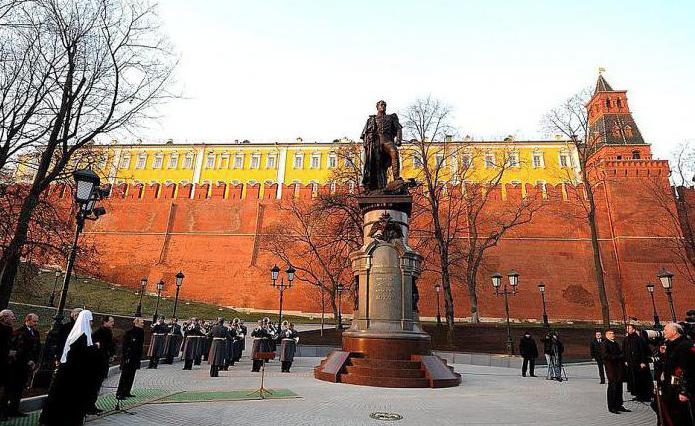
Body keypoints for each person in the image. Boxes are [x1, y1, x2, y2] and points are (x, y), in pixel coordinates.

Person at [40, 310, 101, 425]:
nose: (92, 323)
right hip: (73, 375)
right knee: (69, 400)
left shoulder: (76, 334)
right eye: (90, 321)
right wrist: (95, 348)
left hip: (68, 372)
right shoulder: (81, 336)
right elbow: (82, 354)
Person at [1, 313, 40, 418]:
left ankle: (14, 410)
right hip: (17, 365)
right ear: (27, 320)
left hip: (27, 366)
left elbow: (37, 349)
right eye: (34, 321)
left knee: (19, 389)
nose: (36, 323)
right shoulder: (19, 332)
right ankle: (3, 412)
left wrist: (34, 361)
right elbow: (17, 349)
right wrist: (27, 360)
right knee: (9, 389)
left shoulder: (36, 333)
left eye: (36, 321)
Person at [360, 99, 403, 191]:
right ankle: (380, 185)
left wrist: (398, 140)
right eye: (381, 105)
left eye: (384, 104)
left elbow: (399, 128)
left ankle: (396, 178)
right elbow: (365, 134)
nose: (382, 106)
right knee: (378, 164)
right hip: (377, 143)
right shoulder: (372, 119)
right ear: (377, 107)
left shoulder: (391, 117)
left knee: (394, 152)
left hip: (388, 141)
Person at [659, 322, 694, 425]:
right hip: (670, 387)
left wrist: (684, 391)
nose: (663, 332)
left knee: (681, 417)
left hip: (679, 389)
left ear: (674, 332)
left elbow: (689, 370)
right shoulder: (670, 345)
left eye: (666, 330)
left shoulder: (685, 346)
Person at [86, 316, 116, 415]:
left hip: (103, 362)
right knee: (93, 386)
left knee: (97, 386)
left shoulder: (108, 332)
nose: (113, 324)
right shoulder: (98, 333)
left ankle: (91, 404)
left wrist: (111, 354)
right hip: (97, 364)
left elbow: (110, 346)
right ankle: (89, 406)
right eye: (111, 322)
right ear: (105, 322)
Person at [602, 329, 631, 414]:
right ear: (606, 335)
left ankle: (619, 405)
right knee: (612, 387)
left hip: (618, 368)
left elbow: (620, 353)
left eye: (613, 333)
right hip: (611, 369)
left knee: (619, 387)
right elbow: (605, 355)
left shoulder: (615, 343)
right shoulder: (605, 344)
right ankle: (612, 406)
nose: (612, 335)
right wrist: (618, 356)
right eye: (610, 333)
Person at [622, 324, 653, 402]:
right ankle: (637, 394)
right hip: (631, 363)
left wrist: (642, 361)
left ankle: (644, 396)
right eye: (627, 328)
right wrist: (625, 360)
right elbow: (624, 351)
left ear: (633, 330)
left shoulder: (639, 339)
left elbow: (643, 351)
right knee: (634, 379)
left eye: (630, 328)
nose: (628, 329)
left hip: (639, 362)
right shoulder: (626, 339)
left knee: (641, 379)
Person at [116, 317, 145, 400]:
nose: (143, 324)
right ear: (136, 323)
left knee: (131, 375)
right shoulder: (129, 332)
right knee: (125, 375)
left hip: (136, 357)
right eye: (141, 322)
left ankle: (127, 391)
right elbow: (125, 345)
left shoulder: (141, 332)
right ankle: (120, 392)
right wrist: (126, 355)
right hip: (129, 356)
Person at [0, 309, 16, 420]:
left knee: (6, 389)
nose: (13, 318)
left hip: (6, 364)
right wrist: (7, 352)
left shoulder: (9, 329)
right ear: (4, 318)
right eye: (11, 317)